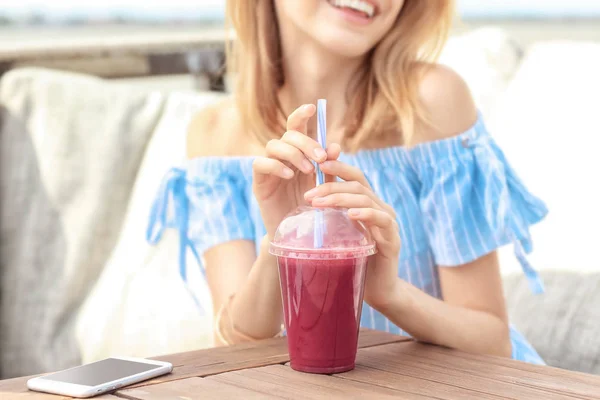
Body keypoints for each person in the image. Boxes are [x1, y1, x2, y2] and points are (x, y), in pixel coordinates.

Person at [147, 0, 548, 364]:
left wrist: (390, 293)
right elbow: (234, 349)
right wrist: (281, 238)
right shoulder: (215, 135)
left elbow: (493, 341)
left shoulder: (434, 103)